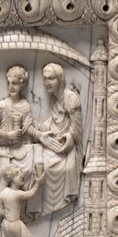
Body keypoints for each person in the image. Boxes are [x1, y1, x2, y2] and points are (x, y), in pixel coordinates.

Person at [33, 62, 83, 214]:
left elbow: (77, 127)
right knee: (35, 158)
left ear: (60, 79)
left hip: (67, 147)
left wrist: (69, 136)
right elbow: (54, 121)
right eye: (45, 79)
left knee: (49, 166)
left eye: (51, 78)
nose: (47, 82)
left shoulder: (71, 98)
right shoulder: (54, 98)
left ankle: (51, 207)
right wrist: (39, 127)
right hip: (56, 140)